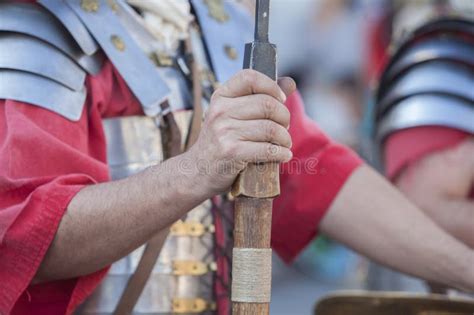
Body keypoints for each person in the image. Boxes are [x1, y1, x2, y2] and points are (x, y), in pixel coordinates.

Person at [0, 1, 473, 315]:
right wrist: (197, 169)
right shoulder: (43, 31)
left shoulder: (213, 22)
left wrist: (464, 269)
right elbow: (25, 236)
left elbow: (315, 172)